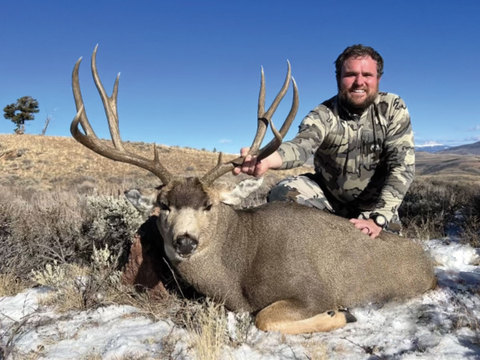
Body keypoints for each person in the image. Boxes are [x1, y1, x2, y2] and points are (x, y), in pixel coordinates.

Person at [234, 44, 414, 239]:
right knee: (284, 194)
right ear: (338, 79)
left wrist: (378, 218)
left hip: (374, 208)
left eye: (367, 75)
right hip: (328, 202)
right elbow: (301, 146)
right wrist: (267, 160)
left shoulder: (393, 108)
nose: (359, 82)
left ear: (378, 79)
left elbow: (402, 166)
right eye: (350, 75)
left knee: (391, 253)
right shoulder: (323, 114)